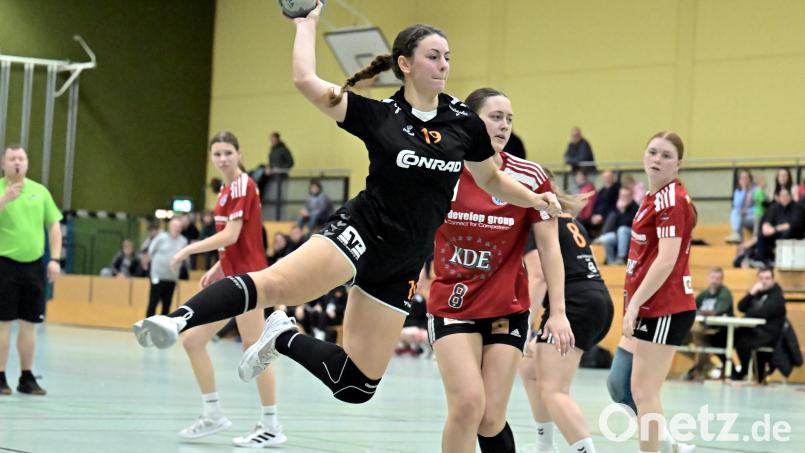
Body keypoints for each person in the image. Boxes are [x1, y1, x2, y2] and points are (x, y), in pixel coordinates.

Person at [133, 8, 568, 411]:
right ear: (405, 63)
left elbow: (490, 177)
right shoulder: (378, 115)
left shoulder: (463, 122)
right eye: (433, 56)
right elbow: (306, 80)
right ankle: (175, 320)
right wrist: (305, 24)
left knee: (357, 386)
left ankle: (282, 336)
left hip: (403, 261)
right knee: (276, 285)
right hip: (360, 233)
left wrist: (534, 198)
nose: (444, 65)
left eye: (447, 57)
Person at [427, 88, 583, 453]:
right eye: (495, 116)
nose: (504, 125)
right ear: (471, 121)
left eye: (509, 118)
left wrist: (557, 312)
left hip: (507, 308)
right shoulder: (443, 170)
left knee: (490, 419)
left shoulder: (529, 177)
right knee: (467, 405)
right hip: (453, 305)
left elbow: (549, 248)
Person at [148, 132, 286, 447]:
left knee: (255, 350)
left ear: (239, 154)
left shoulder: (243, 185)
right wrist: (217, 267)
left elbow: (232, 236)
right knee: (193, 340)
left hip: (251, 282)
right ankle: (213, 413)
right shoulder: (225, 191)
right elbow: (237, 242)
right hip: (232, 279)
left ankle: (271, 424)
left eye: (228, 152)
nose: (222, 158)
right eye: (217, 154)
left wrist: (188, 250)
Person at [616, 131, 698, 453]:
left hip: (665, 306)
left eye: (666, 155)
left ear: (679, 162)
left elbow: (666, 260)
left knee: (644, 393)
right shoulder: (651, 198)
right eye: (652, 152)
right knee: (633, 389)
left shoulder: (671, 200)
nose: (657, 160)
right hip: (653, 306)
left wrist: (634, 305)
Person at [519, 206, 613, 453]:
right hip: (598, 298)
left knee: (554, 389)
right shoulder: (567, 219)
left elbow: (538, 275)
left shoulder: (535, 217)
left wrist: (524, 325)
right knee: (530, 368)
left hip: (574, 305)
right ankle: (545, 446)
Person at [0, 144, 62, 396]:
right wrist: (5, 199)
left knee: (30, 323)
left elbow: (54, 226)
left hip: (34, 266)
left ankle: (27, 377)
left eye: (21, 158)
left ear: (27, 163)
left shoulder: (40, 191)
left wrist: (55, 258)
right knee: (3, 323)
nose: (17, 162)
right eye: (12, 158)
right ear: (4, 163)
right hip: (4, 264)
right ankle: (0, 375)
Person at [731, 267, 786, 382]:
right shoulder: (757, 293)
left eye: (767, 278)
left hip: (769, 333)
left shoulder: (777, 296)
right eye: (761, 278)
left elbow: (762, 313)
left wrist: (749, 313)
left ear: (773, 280)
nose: (764, 281)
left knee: (743, 342)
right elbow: (741, 307)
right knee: (725, 337)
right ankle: (733, 371)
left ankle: (745, 371)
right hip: (754, 330)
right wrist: (751, 293)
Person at [686, 267, 733, 380]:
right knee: (678, 339)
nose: (714, 281)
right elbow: (691, 307)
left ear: (722, 280)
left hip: (717, 330)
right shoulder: (704, 293)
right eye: (712, 277)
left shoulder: (725, 293)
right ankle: (707, 364)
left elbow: (716, 312)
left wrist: (701, 312)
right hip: (702, 327)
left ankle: (700, 367)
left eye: (718, 278)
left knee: (696, 331)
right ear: (708, 278)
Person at [145, 219, 187, 317]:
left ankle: (163, 328)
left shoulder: (183, 241)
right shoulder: (160, 238)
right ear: (170, 227)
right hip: (157, 276)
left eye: (179, 227)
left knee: (167, 304)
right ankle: (148, 326)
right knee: (153, 302)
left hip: (172, 277)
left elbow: (184, 256)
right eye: (175, 226)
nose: (177, 228)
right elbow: (151, 251)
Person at [597, 186, 638, 264]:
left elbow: (629, 223)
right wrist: (620, 210)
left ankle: (621, 257)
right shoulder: (618, 208)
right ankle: (611, 262)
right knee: (606, 239)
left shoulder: (635, 207)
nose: (624, 198)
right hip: (619, 234)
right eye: (622, 195)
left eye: (626, 196)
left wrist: (622, 211)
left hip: (632, 234)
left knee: (622, 229)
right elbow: (614, 224)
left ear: (631, 196)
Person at [726, 169, 756, 243]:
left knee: (738, 217)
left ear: (750, 179)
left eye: (746, 178)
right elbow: (737, 206)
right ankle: (737, 236)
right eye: (742, 178)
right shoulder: (738, 191)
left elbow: (758, 207)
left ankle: (737, 237)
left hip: (753, 217)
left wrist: (747, 211)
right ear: (739, 180)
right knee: (735, 212)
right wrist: (743, 190)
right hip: (743, 218)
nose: (744, 180)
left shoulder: (755, 190)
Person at [588, 169, 621, 237]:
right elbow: (595, 204)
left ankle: (601, 239)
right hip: (598, 215)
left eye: (609, 177)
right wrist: (593, 215)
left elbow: (615, 206)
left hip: (609, 215)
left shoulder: (618, 189)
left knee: (612, 215)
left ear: (613, 177)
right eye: (605, 177)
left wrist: (602, 216)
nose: (607, 179)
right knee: (583, 220)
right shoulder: (602, 191)